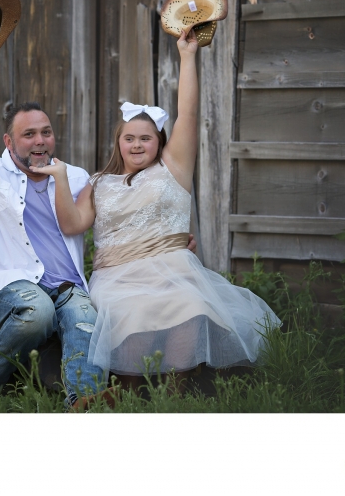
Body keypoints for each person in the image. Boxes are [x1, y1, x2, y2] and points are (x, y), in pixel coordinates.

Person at [0, 61, 196, 409]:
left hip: (67, 289)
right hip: (11, 285)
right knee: (37, 310)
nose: (40, 141)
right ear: (9, 141)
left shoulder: (78, 177)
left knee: (85, 317)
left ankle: (83, 400)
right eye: (29, 134)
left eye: (46, 132)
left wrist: (168, 243)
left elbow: (117, 218)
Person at [34, 29, 282, 389]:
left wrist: (186, 55)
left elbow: (189, 111)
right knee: (126, 312)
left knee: (189, 305)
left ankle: (177, 388)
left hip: (171, 267)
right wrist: (58, 177)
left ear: (159, 142)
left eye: (146, 138)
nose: (137, 145)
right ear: (119, 143)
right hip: (117, 276)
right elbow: (72, 225)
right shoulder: (99, 182)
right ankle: (134, 390)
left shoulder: (173, 168)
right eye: (129, 138)